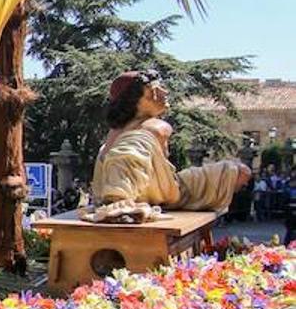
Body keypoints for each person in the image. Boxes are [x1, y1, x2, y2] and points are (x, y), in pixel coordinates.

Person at [85, 71, 251, 222]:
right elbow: (123, 159)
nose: (165, 92)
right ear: (136, 100)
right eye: (155, 90)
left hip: (167, 189)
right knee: (237, 172)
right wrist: (119, 200)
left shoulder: (123, 130)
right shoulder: (150, 129)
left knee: (238, 172)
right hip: (143, 194)